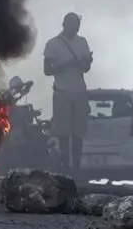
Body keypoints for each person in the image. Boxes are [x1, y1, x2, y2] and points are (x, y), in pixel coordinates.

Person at [44, 12, 92, 177]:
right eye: (72, 25)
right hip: (61, 91)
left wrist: (85, 62)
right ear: (64, 24)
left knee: (78, 132)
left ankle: (76, 169)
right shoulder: (53, 44)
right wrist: (64, 65)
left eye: (77, 25)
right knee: (63, 132)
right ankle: (65, 166)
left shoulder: (82, 42)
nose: (75, 28)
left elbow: (86, 68)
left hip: (79, 90)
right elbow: (47, 70)